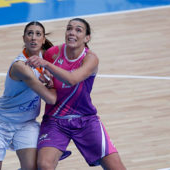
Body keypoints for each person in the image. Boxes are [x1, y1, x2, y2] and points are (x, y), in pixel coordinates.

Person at [26, 18, 126, 170]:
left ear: (87, 38)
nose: (72, 32)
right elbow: (47, 78)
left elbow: (72, 79)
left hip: (85, 120)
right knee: (44, 165)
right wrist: (46, 79)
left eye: (78, 30)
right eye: (69, 29)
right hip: (55, 120)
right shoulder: (53, 54)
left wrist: (47, 65)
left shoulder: (90, 59)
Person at [0, 21, 56, 170]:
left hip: (26, 123)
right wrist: (52, 84)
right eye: (30, 33)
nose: (33, 37)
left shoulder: (45, 59)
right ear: (24, 38)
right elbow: (50, 98)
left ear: (43, 39)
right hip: (0, 124)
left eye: (38, 34)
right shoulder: (21, 67)